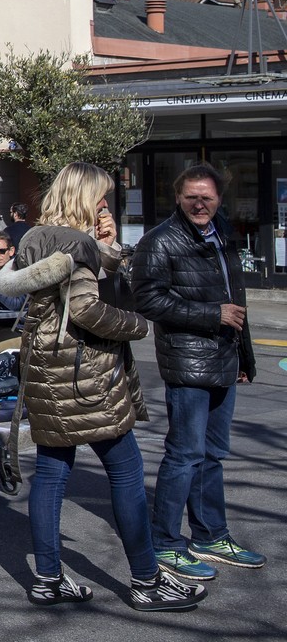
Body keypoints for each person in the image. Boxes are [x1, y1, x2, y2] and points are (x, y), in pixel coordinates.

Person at [0, 161, 205, 612]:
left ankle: (49, 579)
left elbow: (52, 295)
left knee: (51, 474)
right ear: (84, 198)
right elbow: (88, 309)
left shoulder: (34, 237)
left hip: (47, 373)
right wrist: (139, 325)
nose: (106, 205)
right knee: (126, 474)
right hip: (87, 375)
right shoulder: (78, 245)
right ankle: (147, 581)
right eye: (101, 197)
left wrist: (107, 247)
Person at [133, 162, 263, 580]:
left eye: (207, 197)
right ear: (178, 197)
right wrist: (211, 315)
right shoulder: (159, 241)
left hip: (224, 359)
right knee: (185, 455)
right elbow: (148, 300)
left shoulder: (222, 232)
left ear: (219, 198)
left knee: (213, 456)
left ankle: (210, 536)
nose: (199, 203)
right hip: (188, 363)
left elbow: (235, 301)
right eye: (192, 196)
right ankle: (167, 543)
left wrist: (243, 358)